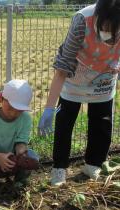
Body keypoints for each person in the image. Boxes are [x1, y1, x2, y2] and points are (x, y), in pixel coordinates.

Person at [38, 0, 120, 186]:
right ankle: (59, 169)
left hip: (104, 78)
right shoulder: (83, 21)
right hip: (75, 76)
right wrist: (50, 107)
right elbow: (63, 66)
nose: (107, 31)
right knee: (65, 123)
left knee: (102, 123)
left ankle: (93, 164)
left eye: (112, 28)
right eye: (104, 26)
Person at [0, 80, 39, 192]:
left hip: (12, 158)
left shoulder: (25, 118)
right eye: (10, 108)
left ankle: (20, 180)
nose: (13, 113)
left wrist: (21, 155)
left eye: (19, 110)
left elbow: (21, 142)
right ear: (2, 99)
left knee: (32, 157)